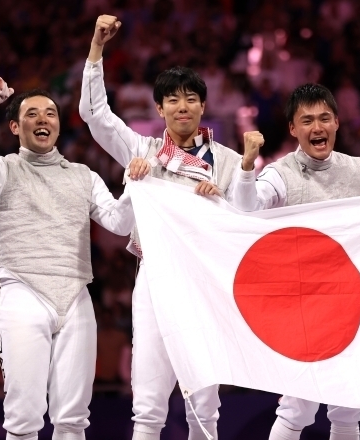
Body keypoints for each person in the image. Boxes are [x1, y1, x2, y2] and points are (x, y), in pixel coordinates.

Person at [0, 77, 134, 440]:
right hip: (23, 294)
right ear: (15, 126)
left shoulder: (83, 176)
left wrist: (136, 187)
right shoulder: (0, 171)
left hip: (76, 298)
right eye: (31, 114)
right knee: (24, 419)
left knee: (73, 420)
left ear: (59, 124)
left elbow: (120, 224)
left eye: (50, 113)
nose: (43, 119)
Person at [79, 15, 243, 440]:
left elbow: (247, 217)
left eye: (190, 98)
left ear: (203, 106)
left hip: (206, 281)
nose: (182, 106)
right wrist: (97, 48)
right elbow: (95, 115)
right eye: (172, 100)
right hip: (155, 278)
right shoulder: (144, 152)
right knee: (148, 404)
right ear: (159, 109)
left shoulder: (227, 160)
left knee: (205, 407)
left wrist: (221, 201)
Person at [229, 83, 360, 440]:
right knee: (297, 407)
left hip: (347, 303)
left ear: (337, 123)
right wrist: (246, 166)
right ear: (293, 128)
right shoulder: (278, 174)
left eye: (324, 119)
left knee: (348, 407)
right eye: (307, 121)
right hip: (301, 306)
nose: (317, 128)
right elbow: (244, 211)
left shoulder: (357, 170)